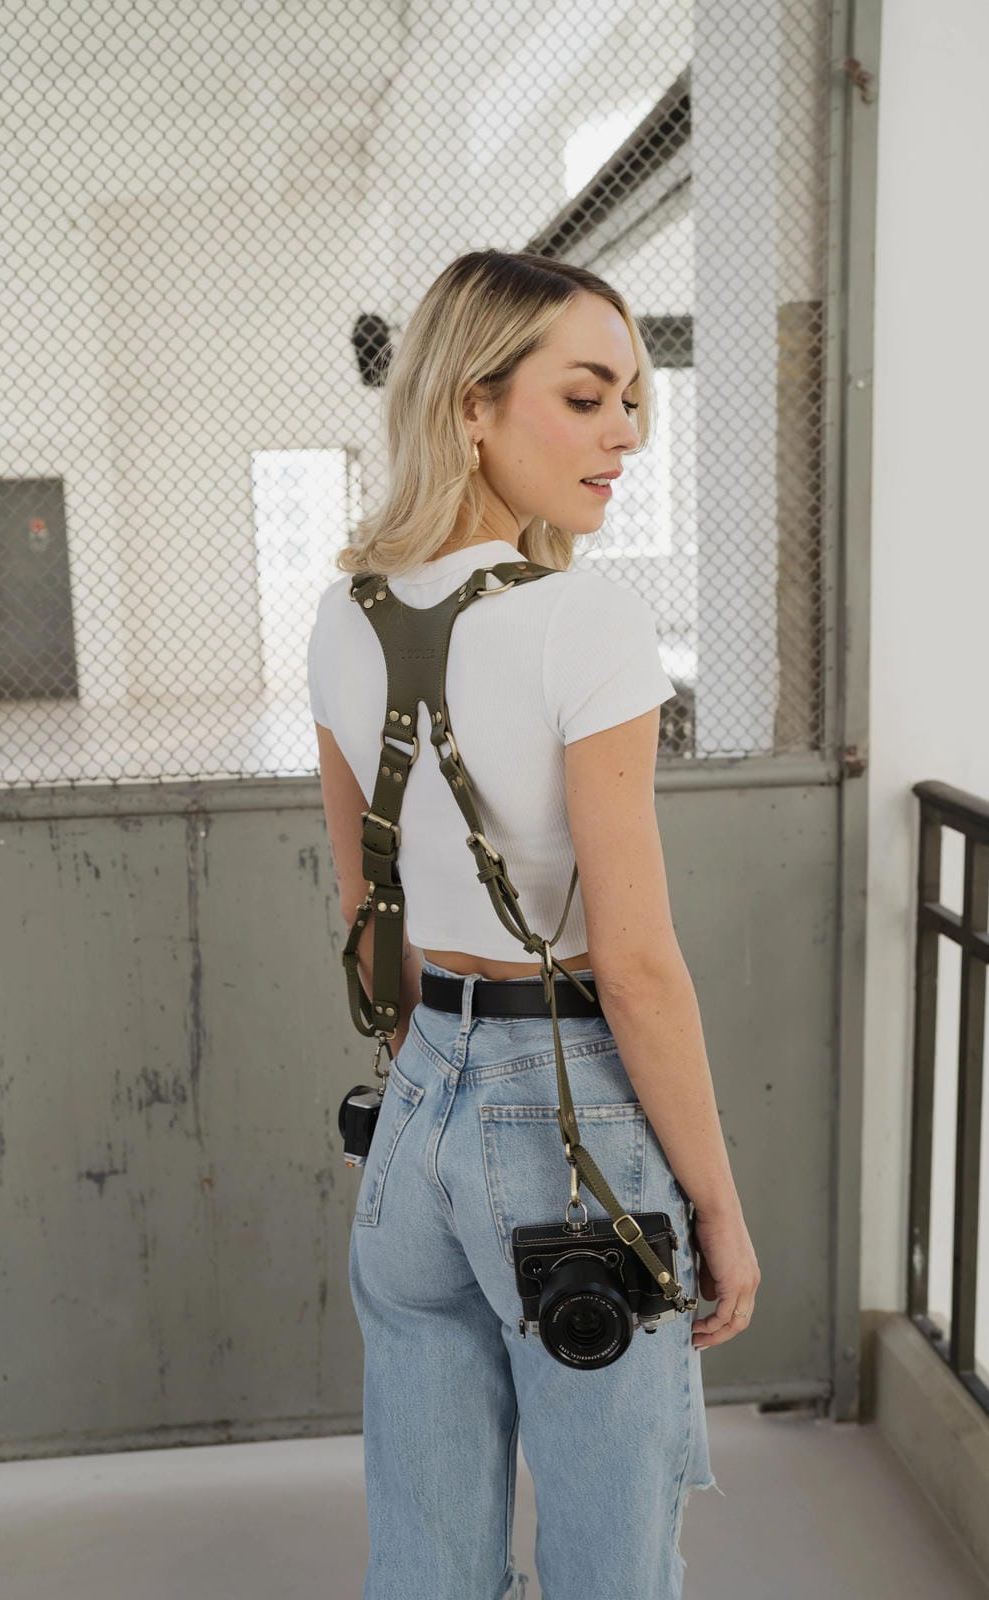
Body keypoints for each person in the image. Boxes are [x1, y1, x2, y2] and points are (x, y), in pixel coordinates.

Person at [308, 249, 760, 1599]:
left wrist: (436, 1079)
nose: (625, 432)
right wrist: (718, 1207)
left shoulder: (343, 613)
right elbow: (635, 963)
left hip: (416, 1116)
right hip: (570, 1131)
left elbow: (363, 913)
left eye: (631, 400)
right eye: (585, 396)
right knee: (613, 1560)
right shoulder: (585, 621)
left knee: (427, 1557)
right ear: (471, 405)